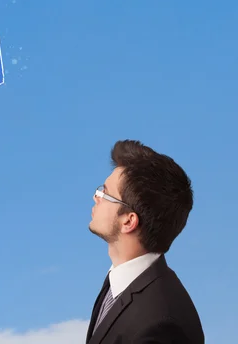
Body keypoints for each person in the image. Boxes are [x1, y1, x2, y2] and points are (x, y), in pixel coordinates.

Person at [86, 140, 204, 344]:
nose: (96, 197)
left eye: (105, 193)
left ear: (129, 221)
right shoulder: (121, 280)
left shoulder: (161, 324)